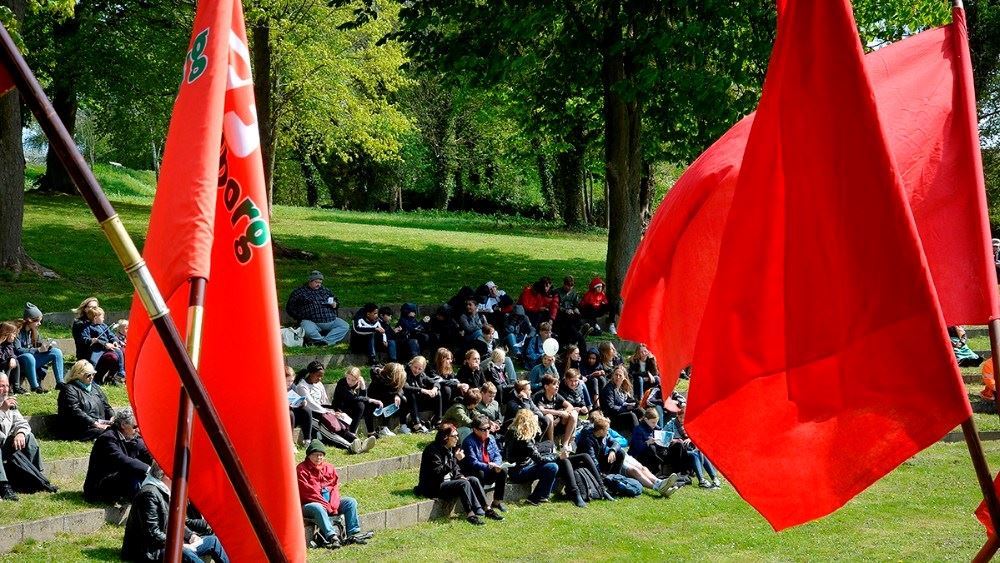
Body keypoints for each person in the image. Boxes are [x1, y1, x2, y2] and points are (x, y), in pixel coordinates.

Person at [121, 462, 229, 562]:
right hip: (148, 551)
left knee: (213, 541)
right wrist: (178, 545)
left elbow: (175, 523)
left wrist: (191, 536)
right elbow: (152, 533)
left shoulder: (164, 491)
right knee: (184, 552)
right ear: (166, 475)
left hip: (166, 544)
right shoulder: (149, 494)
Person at [503, 409, 610, 507]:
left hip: (521, 466)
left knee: (581, 457)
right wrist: (558, 456)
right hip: (519, 471)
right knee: (552, 466)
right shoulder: (524, 439)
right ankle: (538, 497)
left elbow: (533, 454)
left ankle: (599, 489)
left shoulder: (516, 433)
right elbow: (539, 459)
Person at [416, 424, 503, 525]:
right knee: (463, 483)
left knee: (473, 479)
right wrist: (455, 459)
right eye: (454, 436)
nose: (457, 438)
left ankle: (488, 509)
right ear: (445, 437)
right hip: (434, 486)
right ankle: (471, 514)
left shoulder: (451, 448)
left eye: (457, 435)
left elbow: (455, 468)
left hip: (448, 481)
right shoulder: (432, 450)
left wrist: (459, 476)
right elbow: (438, 472)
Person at [576, 412, 678, 496]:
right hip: (609, 462)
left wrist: (612, 450)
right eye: (607, 430)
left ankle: (659, 482)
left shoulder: (604, 434)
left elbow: (619, 441)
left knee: (642, 468)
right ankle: (657, 488)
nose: (608, 432)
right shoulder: (588, 439)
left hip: (617, 455)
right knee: (634, 471)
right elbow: (593, 460)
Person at [297, 440, 376, 548]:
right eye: (315, 455)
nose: (318, 458)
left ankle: (353, 533)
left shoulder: (329, 468)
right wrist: (327, 506)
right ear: (309, 455)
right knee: (317, 507)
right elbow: (308, 493)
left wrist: (333, 505)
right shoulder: (301, 470)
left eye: (321, 455)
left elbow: (334, 488)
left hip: (329, 504)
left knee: (350, 502)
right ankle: (332, 536)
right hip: (309, 504)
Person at [0, 373, 54, 500]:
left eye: (7, 385)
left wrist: (20, 433)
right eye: (2, 386)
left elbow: (22, 423)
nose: (6, 389)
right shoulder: (5, 405)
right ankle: (3, 486)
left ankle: (37, 477)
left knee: (29, 437)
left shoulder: (8, 403)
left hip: (4, 446)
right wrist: (2, 411)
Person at [296, 362, 371, 453]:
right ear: (310, 373)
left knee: (340, 427)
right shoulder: (302, 386)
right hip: (312, 415)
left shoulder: (319, 384)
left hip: (324, 412)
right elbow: (311, 404)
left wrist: (333, 411)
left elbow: (325, 401)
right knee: (329, 431)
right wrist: (327, 412)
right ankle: (350, 446)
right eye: (318, 376)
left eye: (321, 376)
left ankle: (361, 443)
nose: (320, 379)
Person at [84, 407, 152, 504]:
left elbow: (147, 454)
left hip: (118, 479)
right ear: (123, 425)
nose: (137, 430)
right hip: (101, 485)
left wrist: (159, 467)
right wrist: (148, 469)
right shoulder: (107, 438)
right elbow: (122, 460)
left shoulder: (133, 438)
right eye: (135, 426)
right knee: (134, 474)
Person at [285, 271, 350, 346]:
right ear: (310, 281)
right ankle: (320, 340)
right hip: (311, 321)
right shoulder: (299, 292)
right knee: (307, 330)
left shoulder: (326, 291)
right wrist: (300, 317)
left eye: (320, 282)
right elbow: (290, 307)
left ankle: (325, 342)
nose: (318, 284)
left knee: (344, 326)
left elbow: (336, 301)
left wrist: (335, 304)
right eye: (316, 282)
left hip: (331, 319)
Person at [664, 404, 721, 489]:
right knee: (694, 454)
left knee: (700, 452)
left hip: (688, 448)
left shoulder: (689, 424)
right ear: (677, 416)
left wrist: (690, 439)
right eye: (680, 417)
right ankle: (702, 480)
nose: (682, 420)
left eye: (684, 418)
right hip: (677, 451)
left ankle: (714, 478)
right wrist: (676, 440)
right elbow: (664, 437)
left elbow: (698, 436)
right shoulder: (671, 424)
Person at [461, 415, 508, 514]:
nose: (487, 431)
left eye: (488, 428)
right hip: (475, 472)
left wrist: (497, 464)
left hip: (489, 469)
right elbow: (473, 462)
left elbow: (497, 454)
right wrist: (488, 466)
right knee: (480, 472)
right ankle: (480, 503)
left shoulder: (491, 438)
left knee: (503, 470)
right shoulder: (469, 442)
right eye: (483, 429)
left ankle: (497, 501)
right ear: (475, 430)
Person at [58, 360, 115, 441]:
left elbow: (106, 405)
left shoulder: (94, 387)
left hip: (98, 424)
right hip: (79, 428)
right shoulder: (69, 389)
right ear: (78, 374)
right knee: (111, 433)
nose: (91, 377)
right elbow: (75, 411)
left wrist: (112, 417)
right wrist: (94, 423)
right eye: (88, 375)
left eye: (93, 374)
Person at [14, 302, 64, 394]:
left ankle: (60, 382)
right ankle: (35, 386)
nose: (39, 323)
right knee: (29, 356)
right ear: (29, 320)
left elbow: (38, 343)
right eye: (37, 321)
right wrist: (38, 350)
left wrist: (47, 345)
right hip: (20, 362)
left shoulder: (33, 331)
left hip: (33, 361)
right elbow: (18, 350)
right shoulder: (17, 331)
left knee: (56, 352)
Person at [333, 366, 382, 440]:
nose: (350, 382)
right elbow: (352, 398)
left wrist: (363, 386)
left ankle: (371, 432)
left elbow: (363, 398)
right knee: (361, 405)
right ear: (346, 376)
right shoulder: (342, 383)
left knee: (367, 405)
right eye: (348, 378)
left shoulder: (358, 384)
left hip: (354, 407)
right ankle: (352, 433)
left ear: (358, 379)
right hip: (341, 407)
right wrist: (371, 400)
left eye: (353, 380)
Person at [82, 307, 126, 385]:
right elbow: (85, 339)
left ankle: (119, 372)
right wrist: (101, 342)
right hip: (97, 349)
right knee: (94, 362)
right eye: (102, 317)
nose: (104, 318)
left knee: (120, 350)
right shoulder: (87, 327)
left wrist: (115, 341)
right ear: (95, 318)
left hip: (108, 347)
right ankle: (95, 378)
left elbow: (111, 335)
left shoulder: (103, 325)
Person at [532, 374, 578, 448]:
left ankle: (566, 444)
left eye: (557, 384)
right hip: (544, 425)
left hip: (557, 423)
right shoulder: (539, 395)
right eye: (554, 384)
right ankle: (551, 445)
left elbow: (570, 406)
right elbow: (542, 410)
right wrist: (559, 413)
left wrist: (559, 417)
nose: (557, 386)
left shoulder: (556, 395)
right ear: (546, 386)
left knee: (574, 414)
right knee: (549, 416)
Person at [368, 363, 408, 436]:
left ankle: (402, 425)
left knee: (402, 399)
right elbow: (387, 392)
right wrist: (396, 394)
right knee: (394, 400)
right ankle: (383, 427)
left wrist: (397, 395)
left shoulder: (389, 378)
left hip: (385, 398)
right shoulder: (378, 379)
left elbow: (401, 387)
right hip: (374, 400)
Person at [600, 365, 642, 433]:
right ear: (613, 376)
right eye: (616, 375)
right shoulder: (609, 389)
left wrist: (635, 403)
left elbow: (627, 400)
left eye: (620, 375)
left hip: (620, 413)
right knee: (631, 415)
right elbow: (610, 407)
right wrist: (626, 408)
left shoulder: (621, 388)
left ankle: (648, 432)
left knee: (640, 411)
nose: (618, 377)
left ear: (624, 377)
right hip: (612, 417)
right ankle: (638, 436)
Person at [402, 356, 439, 431]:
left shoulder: (422, 375)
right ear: (411, 364)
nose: (416, 370)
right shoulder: (404, 372)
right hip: (408, 400)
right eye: (415, 367)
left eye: (420, 369)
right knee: (412, 394)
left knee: (438, 393)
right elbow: (406, 387)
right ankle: (417, 424)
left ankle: (438, 420)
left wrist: (435, 389)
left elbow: (435, 382)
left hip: (419, 401)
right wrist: (422, 390)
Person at [286, 366, 314, 445]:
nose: (290, 383)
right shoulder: (277, 387)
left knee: (306, 410)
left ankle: (307, 440)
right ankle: (289, 442)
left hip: (292, 409)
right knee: (290, 414)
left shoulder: (293, 387)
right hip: (283, 414)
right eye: (288, 381)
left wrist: (302, 402)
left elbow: (295, 399)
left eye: (292, 381)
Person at [72, 297, 100, 365]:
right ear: (85, 309)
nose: (93, 309)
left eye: (95, 307)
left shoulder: (98, 321)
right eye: (90, 307)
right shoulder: (79, 323)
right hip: (87, 356)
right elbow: (82, 340)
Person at [0, 322, 23, 395]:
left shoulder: (8, 343)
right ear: (6, 334)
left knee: (15, 361)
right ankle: (5, 388)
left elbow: (11, 352)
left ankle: (16, 387)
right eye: (14, 334)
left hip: (3, 364)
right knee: (6, 363)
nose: (15, 336)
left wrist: (12, 358)